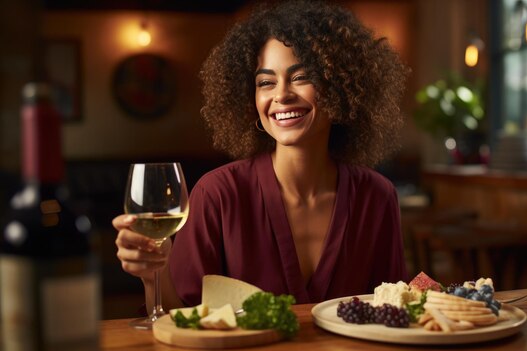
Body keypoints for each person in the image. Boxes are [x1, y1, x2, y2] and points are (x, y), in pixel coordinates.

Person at [113, 0, 410, 312]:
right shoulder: (217, 195)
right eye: (266, 82)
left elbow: (394, 310)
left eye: (301, 77)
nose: (281, 95)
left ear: (340, 88)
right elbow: (182, 319)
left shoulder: (377, 195)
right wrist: (153, 275)